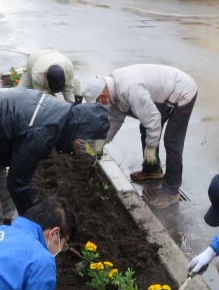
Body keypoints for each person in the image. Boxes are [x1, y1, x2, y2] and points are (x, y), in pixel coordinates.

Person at [0, 87, 109, 237]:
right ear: (78, 130)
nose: (82, 147)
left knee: (7, 205)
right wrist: (42, 227)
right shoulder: (42, 132)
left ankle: (7, 245)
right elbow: (19, 184)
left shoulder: (61, 113)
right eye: (85, 142)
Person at [82, 64, 198, 210]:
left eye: (98, 103)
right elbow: (113, 122)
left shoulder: (131, 89)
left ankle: (171, 190)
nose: (99, 107)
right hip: (162, 96)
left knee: (172, 141)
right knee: (145, 126)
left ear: (103, 96)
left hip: (182, 93)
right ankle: (153, 170)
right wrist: (99, 144)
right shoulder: (113, 91)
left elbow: (153, 120)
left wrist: (151, 147)